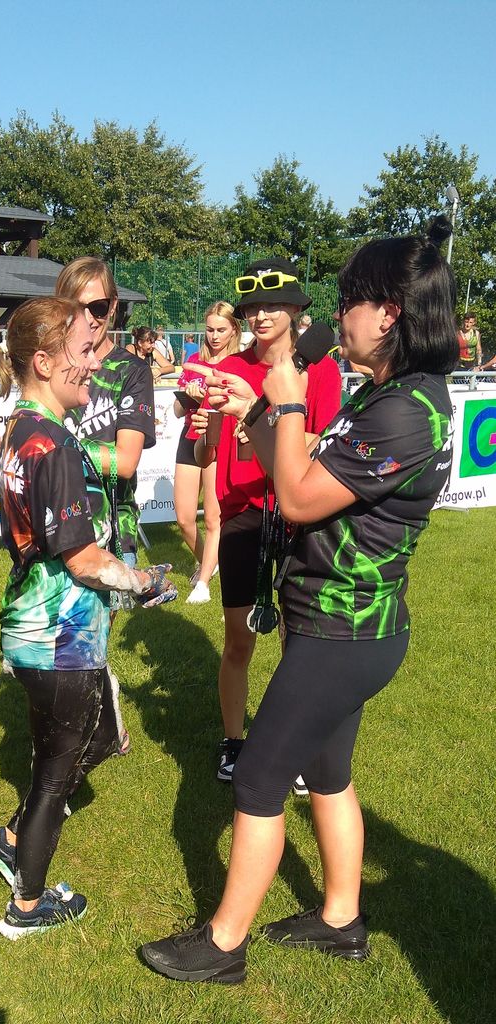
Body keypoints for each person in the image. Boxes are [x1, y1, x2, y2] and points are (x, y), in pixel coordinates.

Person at [140, 216, 458, 984]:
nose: (338, 316)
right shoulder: (386, 395)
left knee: (257, 778)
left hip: (343, 633)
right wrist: (249, 411)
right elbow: (308, 464)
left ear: (388, 313)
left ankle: (223, 945)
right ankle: (340, 921)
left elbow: (298, 496)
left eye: (350, 301)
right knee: (326, 772)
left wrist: (282, 404)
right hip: (342, 626)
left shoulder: (404, 409)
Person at [0, 297, 175, 939]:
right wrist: (141, 581)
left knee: (93, 742)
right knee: (56, 776)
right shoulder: (55, 442)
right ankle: (28, 906)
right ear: (43, 361)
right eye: (84, 351)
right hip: (57, 636)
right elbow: (84, 559)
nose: (95, 363)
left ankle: (10, 840)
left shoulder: (23, 426)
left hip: (39, 626)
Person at [193, 260, 341, 782]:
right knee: (239, 640)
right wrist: (206, 428)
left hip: (298, 514)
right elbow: (208, 449)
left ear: (296, 309)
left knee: (297, 644)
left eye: (272, 305)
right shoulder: (230, 367)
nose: (260, 316)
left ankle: (293, 746)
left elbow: (322, 446)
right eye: (252, 307)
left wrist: (259, 417)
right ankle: (233, 742)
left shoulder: (319, 369)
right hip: (242, 515)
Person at [55, 257, 157, 757]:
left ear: (113, 307)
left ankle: (90, 735)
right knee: (65, 639)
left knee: (92, 638)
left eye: (97, 306)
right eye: (75, 306)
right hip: (58, 519)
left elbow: (127, 461)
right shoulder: (54, 362)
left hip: (110, 527)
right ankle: (95, 730)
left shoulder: (131, 371)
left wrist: (59, 447)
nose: (87, 318)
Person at [173, 301, 242, 605]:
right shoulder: (193, 361)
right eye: (210, 330)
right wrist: (189, 396)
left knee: (214, 517)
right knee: (184, 518)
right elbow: (177, 411)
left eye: (221, 330)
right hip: (190, 435)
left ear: (234, 330)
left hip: (221, 438)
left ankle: (202, 583)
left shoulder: (238, 363)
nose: (214, 336)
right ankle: (209, 564)